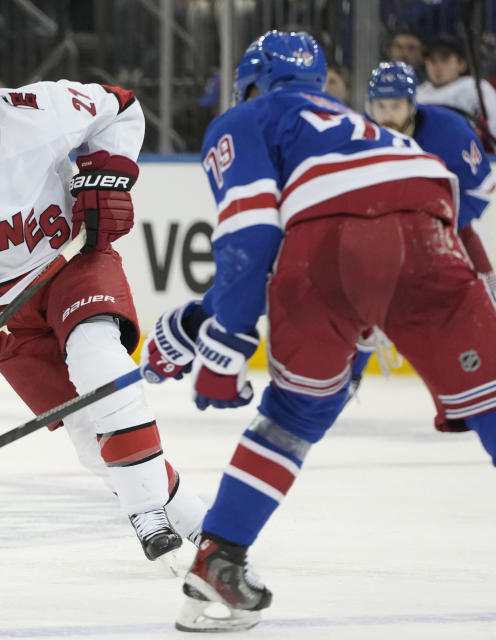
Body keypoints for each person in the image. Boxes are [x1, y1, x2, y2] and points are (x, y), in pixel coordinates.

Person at [139, 31, 496, 631]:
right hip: (426, 227)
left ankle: (219, 560)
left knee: (296, 414)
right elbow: (338, 226)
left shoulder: (246, 118)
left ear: (250, 82)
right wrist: (200, 320)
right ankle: (214, 569)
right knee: (491, 399)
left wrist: (223, 350)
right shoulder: (358, 125)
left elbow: (255, 239)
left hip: (331, 249)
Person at [0, 33, 208, 565]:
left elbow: (120, 108)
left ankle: (146, 515)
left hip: (71, 261)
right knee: (83, 432)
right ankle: (201, 525)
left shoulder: (38, 110)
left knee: (100, 360)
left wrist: (108, 176)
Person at [351, 61, 496, 418]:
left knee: (481, 306)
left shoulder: (450, 131)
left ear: (412, 103)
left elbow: (482, 188)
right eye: (380, 105)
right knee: (363, 308)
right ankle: (348, 380)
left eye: (396, 105)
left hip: (448, 236)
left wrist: (435, 227)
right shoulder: (354, 133)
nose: (387, 114)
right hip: (380, 239)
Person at [417, 33, 496, 144]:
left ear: (462, 64)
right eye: (432, 60)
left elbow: (493, 125)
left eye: (445, 59)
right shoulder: (418, 93)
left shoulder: (476, 87)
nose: (438, 66)